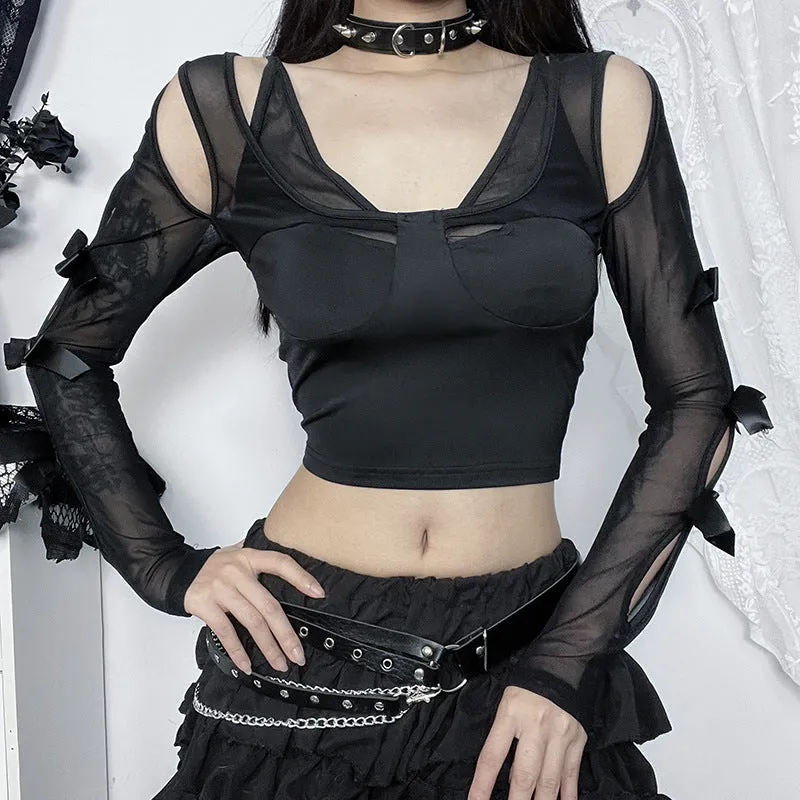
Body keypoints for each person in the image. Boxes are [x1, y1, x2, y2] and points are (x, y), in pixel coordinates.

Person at [2, 1, 774, 799]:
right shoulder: (226, 109)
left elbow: (696, 397)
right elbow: (68, 353)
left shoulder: (598, 100)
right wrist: (166, 568)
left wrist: (568, 661)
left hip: (530, 650)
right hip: (299, 653)